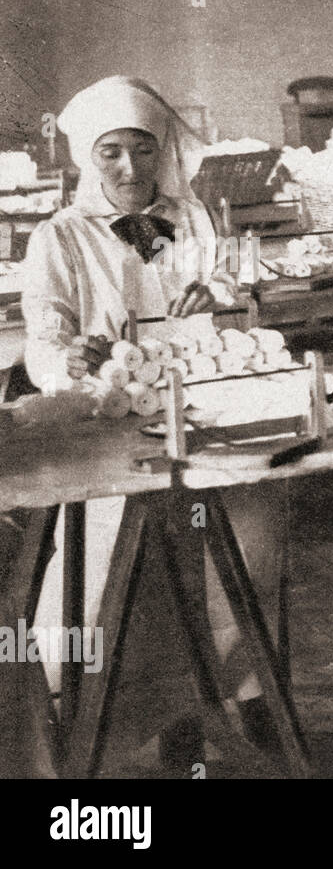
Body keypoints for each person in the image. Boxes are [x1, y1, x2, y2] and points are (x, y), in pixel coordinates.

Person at [20, 76, 286, 768]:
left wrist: (223, 303)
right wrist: (71, 357)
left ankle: (246, 693)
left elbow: (241, 314)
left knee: (250, 535)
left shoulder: (191, 223)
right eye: (111, 153)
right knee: (118, 572)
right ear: (87, 156)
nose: (130, 170)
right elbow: (43, 341)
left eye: (142, 151)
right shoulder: (61, 238)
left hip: (206, 424)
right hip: (114, 439)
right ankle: (85, 713)